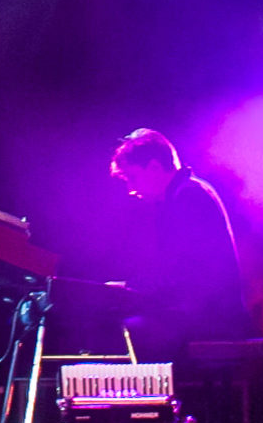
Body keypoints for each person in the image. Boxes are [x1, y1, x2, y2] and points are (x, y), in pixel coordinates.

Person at [107, 129, 251, 357]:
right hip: (203, 310)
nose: (131, 189)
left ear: (154, 167)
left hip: (214, 315)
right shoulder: (184, 194)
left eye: (133, 178)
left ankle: (159, 392)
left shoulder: (190, 197)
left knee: (127, 331)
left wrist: (134, 289)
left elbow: (192, 273)